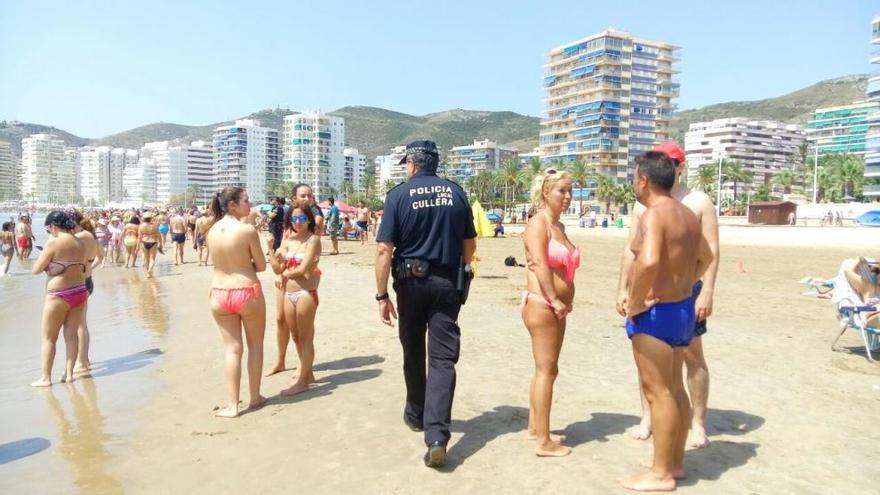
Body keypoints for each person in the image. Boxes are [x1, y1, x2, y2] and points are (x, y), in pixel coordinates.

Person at [374, 140, 476, 468]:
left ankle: (416, 413)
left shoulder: (398, 196)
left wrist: (381, 295)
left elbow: (383, 250)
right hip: (447, 284)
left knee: (413, 351)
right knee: (443, 360)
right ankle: (436, 435)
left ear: (413, 164)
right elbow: (469, 246)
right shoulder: (456, 193)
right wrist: (462, 277)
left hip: (410, 285)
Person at [618, 151, 714, 491]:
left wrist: (638, 302)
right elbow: (706, 256)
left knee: (658, 393)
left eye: (633, 177)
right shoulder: (687, 214)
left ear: (644, 180)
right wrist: (685, 283)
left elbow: (647, 261)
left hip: (657, 314)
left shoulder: (654, 214)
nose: (633, 183)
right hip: (682, 310)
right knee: (674, 389)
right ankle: (674, 463)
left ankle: (660, 474)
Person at [521, 168, 580, 457]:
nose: (568, 196)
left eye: (571, 191)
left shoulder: (560, 227)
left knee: (548, 369)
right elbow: (539, 265)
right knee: (546, 369)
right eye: (562, 191)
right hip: (543, 304)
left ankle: (536, 428)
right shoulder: (538, 224)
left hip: (557, 307)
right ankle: (543, 442)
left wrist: (563, 300)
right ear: (546, 192)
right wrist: (555, 299)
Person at [206, 187, 267, 418]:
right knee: (255, 346)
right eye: (245, 200)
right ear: (232, 205)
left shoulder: (211, 230)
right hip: (246, 290)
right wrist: (245, 265)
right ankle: (255, 397)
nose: (249, 204)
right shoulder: (246, 230)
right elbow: (261, 266)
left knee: (232, 350)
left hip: (219, 292)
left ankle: (232, 405)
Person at [268, 205, 322, 395]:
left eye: (301, 219)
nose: (297, 223)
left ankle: (302, 381)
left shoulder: (313, 240)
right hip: (289, 295)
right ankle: (308, 374)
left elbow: (303, 269)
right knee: (296, 336)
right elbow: (276, 269)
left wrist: (285, 273)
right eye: (294, 219)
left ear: (309, 220)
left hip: (305, 294)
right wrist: (269, 249)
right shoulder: (288, 241)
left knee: (306, 337)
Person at [31, 211, 88, 387]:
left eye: (48, 229)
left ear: (53, 227)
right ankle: (69, 374)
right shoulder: (79, 242)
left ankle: (46, 378)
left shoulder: (53, 242)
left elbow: (36, 269)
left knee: (48, 338)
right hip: (79, 291)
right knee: (71, 335)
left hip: (58, 294)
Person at [71, 211, 104, 374]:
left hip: (81, 282)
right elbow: (101, 256)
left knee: (80, 324)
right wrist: (91, 267)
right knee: (80, 323)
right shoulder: (93, 239)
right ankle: (85, 359)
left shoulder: (80, 237)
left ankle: (82, 362)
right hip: (87, 280)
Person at [139, 212, 162, 279]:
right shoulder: (154, 226)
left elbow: (140, 237)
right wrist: (160, 243)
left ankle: (147, 273)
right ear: (150, 218)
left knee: (146, 259)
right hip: (153, 242)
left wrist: (137, 246)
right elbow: (159, 235)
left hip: (144, 242)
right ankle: (149, 271)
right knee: (152, 258)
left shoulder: (141, 226)